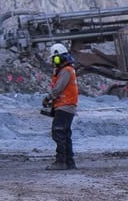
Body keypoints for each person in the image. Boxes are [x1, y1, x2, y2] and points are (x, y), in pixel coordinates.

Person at [42, 42, 78, 170]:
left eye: (55, 58)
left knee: (58, 132)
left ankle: (61, 161)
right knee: (65, 134)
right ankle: (69, 162)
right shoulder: (66, 70)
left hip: (65, 105)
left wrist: (48, 98)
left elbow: (58, 89)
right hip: (66, 106)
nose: (54, 61)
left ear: (60, 57)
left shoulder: (66, 71)